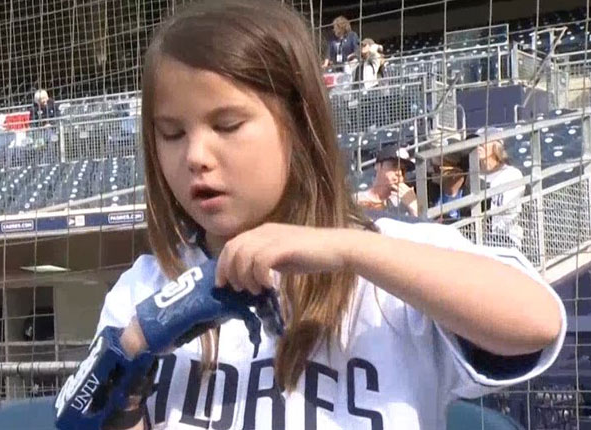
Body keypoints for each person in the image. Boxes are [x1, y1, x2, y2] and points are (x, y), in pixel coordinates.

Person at [55, 2, 565, 429]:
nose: (195, 156)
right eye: (171, 133)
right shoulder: (144, 288)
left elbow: (535, 322)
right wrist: (127, 365)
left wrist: (347, 248)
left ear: (299, 126)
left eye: (227, 124)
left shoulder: (385, 266)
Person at [355, 146, 419, 218]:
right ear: (378, 166)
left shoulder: (404, 203)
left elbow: (422, 225)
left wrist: (413, 205)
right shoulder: (356, 199)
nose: (399, 173)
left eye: (403, 170)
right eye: (394, 166)